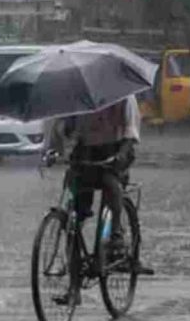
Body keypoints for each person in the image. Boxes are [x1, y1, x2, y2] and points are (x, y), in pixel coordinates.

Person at [46, 95, 141, 252]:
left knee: (110, 182)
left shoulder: (125, 97)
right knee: (74, 181)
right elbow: (62, 127)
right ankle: (77, 225)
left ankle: (116, 232)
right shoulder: (78, 96)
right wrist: (54, 150)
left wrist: (120, 155)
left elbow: (131, 132)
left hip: (116, 148)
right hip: (87, 150)